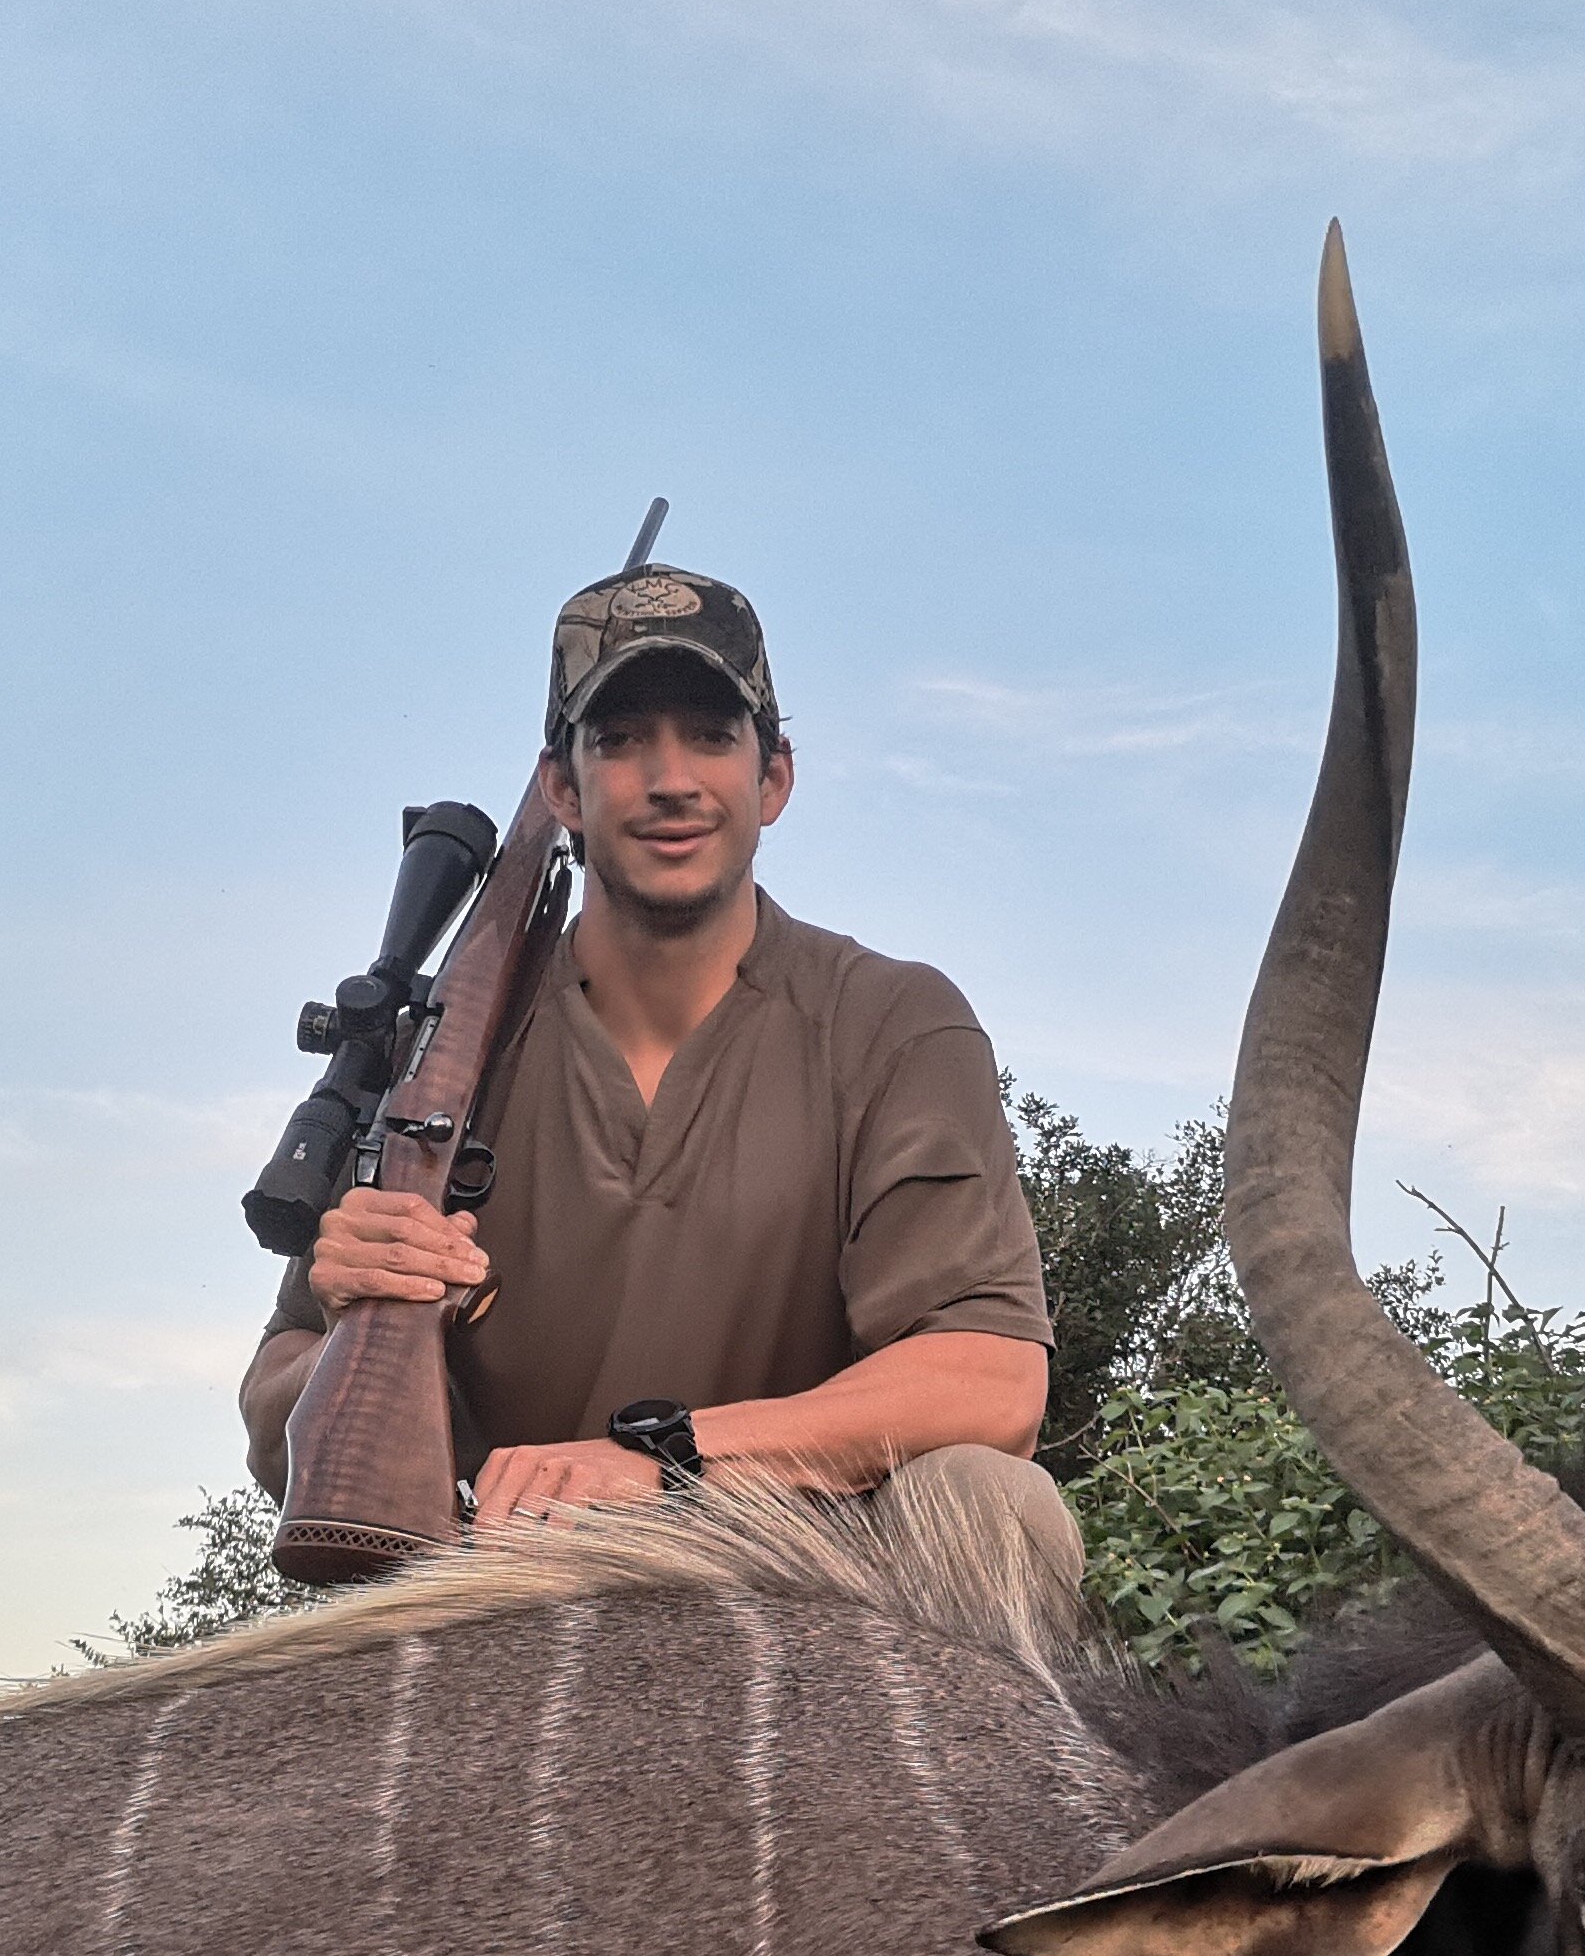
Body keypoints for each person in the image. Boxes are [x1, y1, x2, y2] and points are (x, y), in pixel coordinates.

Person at [242, 562, 1080, 1590]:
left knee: (993, 1508)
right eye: (621, 739)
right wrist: (360, 1310)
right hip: (496, 1577)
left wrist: (668, 1461)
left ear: (772, 779)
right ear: (562, 790)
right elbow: (270, 1411)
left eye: (710, 736)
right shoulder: (436, 1057)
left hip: (799, 1578)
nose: (670, 778)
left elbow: (989, 1381)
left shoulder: (895, 1022)